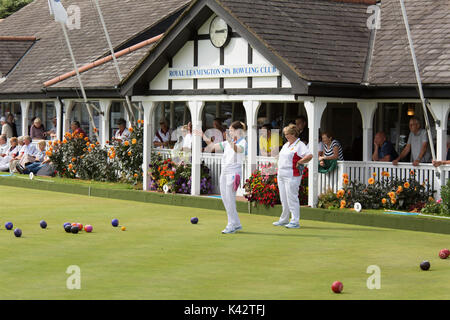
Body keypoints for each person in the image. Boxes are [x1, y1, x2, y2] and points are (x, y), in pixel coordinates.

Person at [199, 121, 247, 234]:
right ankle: (236, 223)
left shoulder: (243, 142)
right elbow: (212, 146)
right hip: (224, 172)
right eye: (229, 130)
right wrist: (202, 135)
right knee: (225, 199)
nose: (229, 132)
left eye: (231, 130)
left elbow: (238, 150)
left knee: (230, 199)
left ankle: (231, 225)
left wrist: (230, 141)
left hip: (234, 173)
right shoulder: (227, 143)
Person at [273, 124, 313, 229]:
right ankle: (284, 219)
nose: (286, 136)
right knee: (284, 198)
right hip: (281, 174)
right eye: (285, 134)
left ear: (293, 134)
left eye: (288, 134)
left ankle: (295, 221)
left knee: (292, 197)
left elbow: (309, 156)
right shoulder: (286, 145)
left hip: (292, 174)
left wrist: (300, 161)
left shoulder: (300, 145)